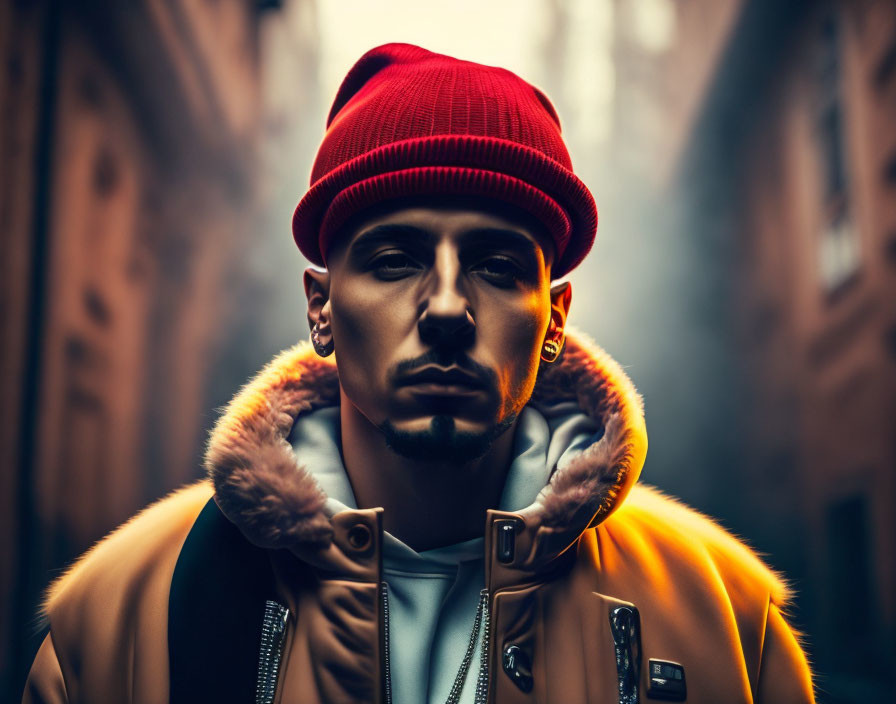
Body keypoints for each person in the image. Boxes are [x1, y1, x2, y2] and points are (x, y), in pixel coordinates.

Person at [23, 43, 814, 704]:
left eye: (498, 265)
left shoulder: (727, 623)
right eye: (394, 259)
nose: (444, 306)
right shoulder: (120, 626)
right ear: (321, 308)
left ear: (557, 317)